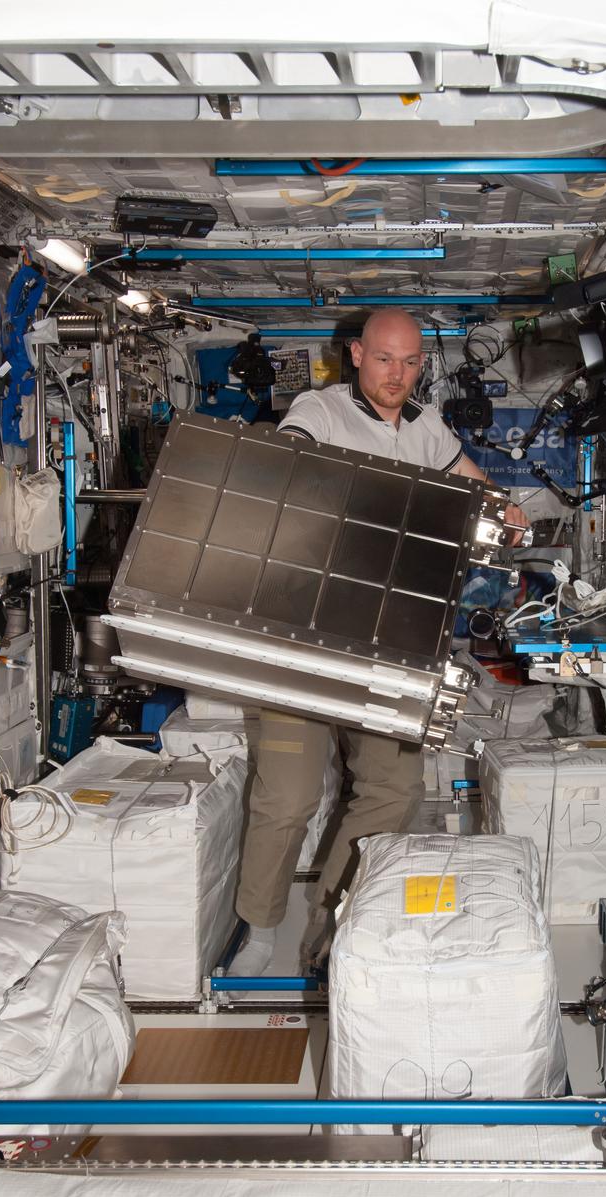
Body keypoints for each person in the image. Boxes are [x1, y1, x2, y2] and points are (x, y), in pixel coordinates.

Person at [229, 308, 530, 975]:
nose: (398, 375)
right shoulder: (320, 410)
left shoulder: (426, 426)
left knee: (394, 789)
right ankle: (258, 926)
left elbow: (475, 485)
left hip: (390, 640)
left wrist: (505, 509)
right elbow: (288, 459)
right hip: (304, 636)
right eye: (386, 359)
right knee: (288, 797)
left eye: (411, 362)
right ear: (357, 354)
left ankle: (334, 922)